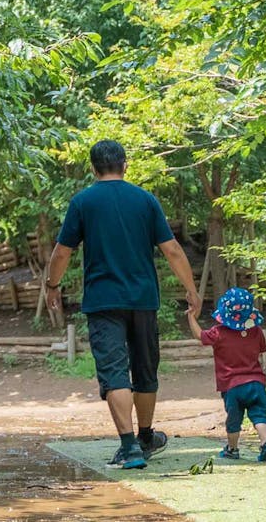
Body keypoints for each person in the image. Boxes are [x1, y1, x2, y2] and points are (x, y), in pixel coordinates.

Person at [45, 139, 201, 470]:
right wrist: (192, 290)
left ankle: (131, 447)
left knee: (115, 372)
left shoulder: (83, 202)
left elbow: (62, 252)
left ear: (93, 168)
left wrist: (52, 286)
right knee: (145, 369)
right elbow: (171, 249)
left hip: (103, 302)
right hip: (143, 300)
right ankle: (145, 437)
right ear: (125, 164)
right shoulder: (145, 200)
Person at [187, 287, 266, 462]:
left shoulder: (218, 332)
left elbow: (199, 335)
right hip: (256, 383)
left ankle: (232, 449)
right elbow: (261, 351)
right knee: (259, 415)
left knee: (234, 419)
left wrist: (191, 316)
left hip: (232, 386)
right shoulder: (256, 331)